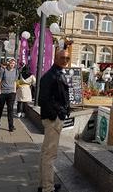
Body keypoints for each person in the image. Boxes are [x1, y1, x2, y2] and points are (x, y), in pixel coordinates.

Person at [38, 50, 70, 192]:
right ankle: (47, 188)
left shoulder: (57, 73)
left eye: (67, 58)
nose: (65, 60)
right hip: (53, 119)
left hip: (55, 117)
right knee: (50, 155)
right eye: (62, 57)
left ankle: (45, 184)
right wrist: (57, 115)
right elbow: (42, 100)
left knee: (47, 153)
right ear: (55, 58)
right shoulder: (50, 76)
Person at [0, 57, 18, 132]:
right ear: (9, 63)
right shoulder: (3, 70)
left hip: (11, 93)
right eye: (11, 63)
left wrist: (14, 91)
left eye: (14, 63)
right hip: (3, 92)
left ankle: (10, 126)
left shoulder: (16, 71)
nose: (12, 64)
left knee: (10, 109)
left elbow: (15, 81)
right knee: (0, 108)